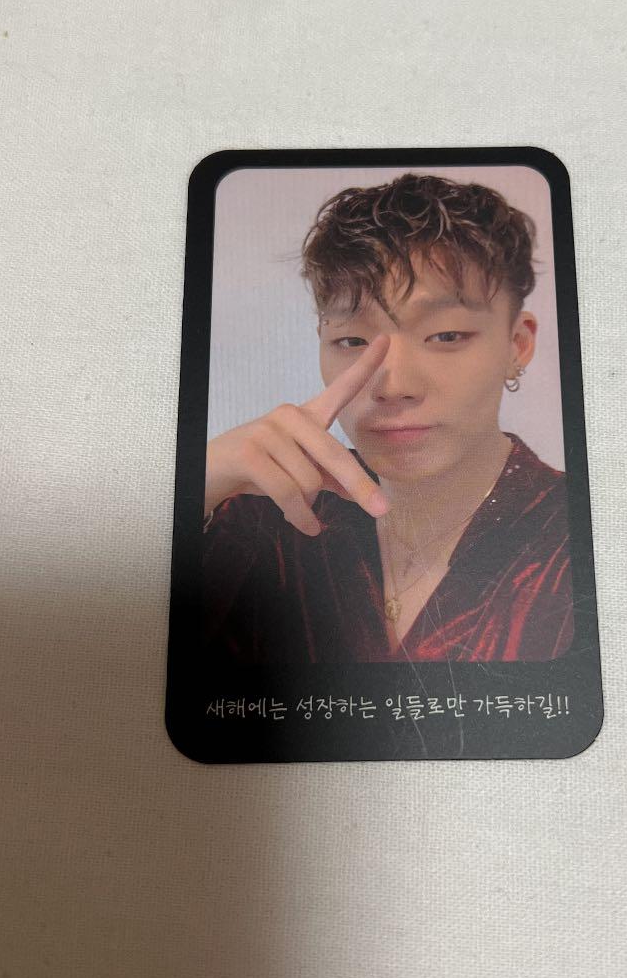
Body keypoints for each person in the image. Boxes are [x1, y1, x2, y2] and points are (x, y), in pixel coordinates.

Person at [202, 173, 575, 663]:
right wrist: (195, 487)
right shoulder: (264, 516)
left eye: (446, 336)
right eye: (353, 341)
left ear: (517, 345)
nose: (393, 386)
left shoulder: (581, 534)